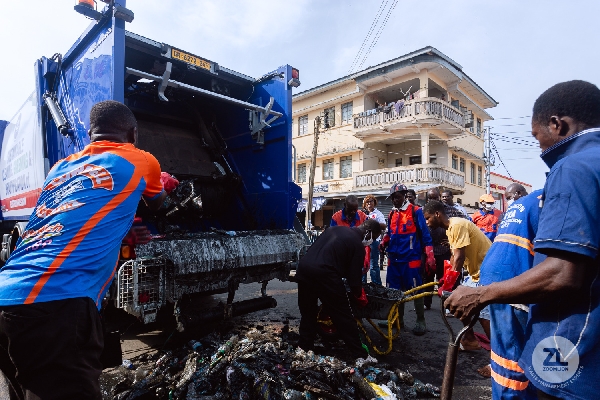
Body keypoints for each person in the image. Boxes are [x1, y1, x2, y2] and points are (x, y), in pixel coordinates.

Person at [0, 100, 177, 398]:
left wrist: (123, 232)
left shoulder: (60, 168)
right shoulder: (141, 159)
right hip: (55, 306)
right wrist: (166, 187)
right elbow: (159, 205)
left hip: (7, 295)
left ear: (91, 133)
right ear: (132, 134)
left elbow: (68, 219)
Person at [445, 80, 600, 400]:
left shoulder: (573, 167)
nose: (540, 148)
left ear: (557, 124)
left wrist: (479, 295)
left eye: (537, 137)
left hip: (572, 354)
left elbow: (562, 274)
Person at [477, 187, 542, 399]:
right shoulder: (552, 201)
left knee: (506, 355)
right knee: (513, 361)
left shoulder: (521, 207)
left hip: (496, 281)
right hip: (513, 284)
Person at [296, 219, 382, 359]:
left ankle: (304, 347)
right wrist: (359, 298)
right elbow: (354, 280)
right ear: (368, 232)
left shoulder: (333, 230)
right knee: (343, 315)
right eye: (374, 238)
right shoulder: (357, 245)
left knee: (308, 313)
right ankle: (360, 355)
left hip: (304, 270)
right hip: (325, 274)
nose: (371, 241)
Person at [422, 200, 491, 351]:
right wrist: (445, 278)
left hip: (487, 272)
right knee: (457, 302)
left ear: (437, 214)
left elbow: (459, 258)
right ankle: (469, 339)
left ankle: (498, 357)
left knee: (485, 314)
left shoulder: (457, 225)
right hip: (475, 274)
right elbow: (454, 257)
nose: (427, 222)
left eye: (428, 218)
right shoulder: (450, 228)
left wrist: (448, 283)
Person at [380, 183, 435, 335]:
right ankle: (398, 320)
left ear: (404, 196)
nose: (395, 201)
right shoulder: (392, 213)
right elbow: (389, 232)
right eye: (393, 198)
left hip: (411, 259)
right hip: (394, 259)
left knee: (415, 290)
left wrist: (429, 255)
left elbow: (425, 235)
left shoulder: (416, 211)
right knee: (394, 291)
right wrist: (384, 241)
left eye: (397, 197)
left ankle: (420, 320)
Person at [423, 194, 452, 311]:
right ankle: (426, 303)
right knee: (427, 279)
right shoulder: (423, 212)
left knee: (444, 279)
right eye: (430, 197)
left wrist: (450, 242)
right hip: (429, 252)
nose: (432, 200)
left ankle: (446, 305)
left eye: (435, 197)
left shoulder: (449, 211)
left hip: (444, 251)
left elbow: (455, 228)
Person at [362, 195, 386, 286]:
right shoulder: (361, 214)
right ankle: (362, 285)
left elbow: (384, 225)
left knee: (373, 264)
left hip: (374, 242)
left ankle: (376, 285)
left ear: (374, 203)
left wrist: (372, 223)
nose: (369, 203)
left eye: (371, 201)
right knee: (362, 264)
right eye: (367, 202)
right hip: (363, 243)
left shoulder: (378, 214)